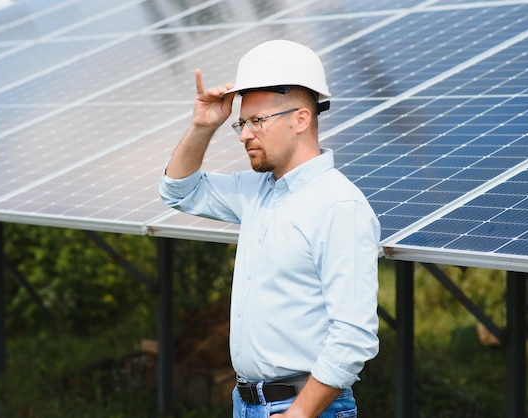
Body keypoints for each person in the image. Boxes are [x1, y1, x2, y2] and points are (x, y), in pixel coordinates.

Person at [159, 40, 380, 418]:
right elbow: (179, 191)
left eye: (257, 121)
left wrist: (299, 414)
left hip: (305, 409)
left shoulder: (339, 206)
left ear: (301, 119)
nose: (245, 134)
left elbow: (354, 336)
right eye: (241, 123)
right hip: (245, 404)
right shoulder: (257, 191)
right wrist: (202, 126)